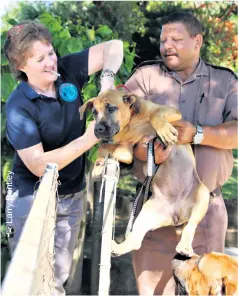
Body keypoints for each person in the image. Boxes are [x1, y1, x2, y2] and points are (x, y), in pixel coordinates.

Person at [4, 21, 123, 295]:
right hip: (29, 197)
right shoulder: (19, 106)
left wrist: (106, 77)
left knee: (58, 275)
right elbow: (37, 166)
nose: (50, 62)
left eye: (50, 52)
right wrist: (90, 138)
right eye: (40, 58)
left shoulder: (67, 71)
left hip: (71, 193)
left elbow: (114, 47)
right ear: (22, 66)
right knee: (28, 275)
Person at [125, 11, 237, 295]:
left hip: (206, 212)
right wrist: (147, 153)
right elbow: (121, 127)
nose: (167, 46)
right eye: (163, 40)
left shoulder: (224, 82)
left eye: (176, 39)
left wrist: (199, 133)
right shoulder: (145, 77)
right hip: (156, 208)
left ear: (197, 41)